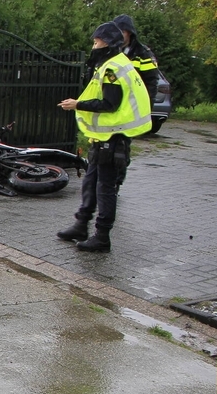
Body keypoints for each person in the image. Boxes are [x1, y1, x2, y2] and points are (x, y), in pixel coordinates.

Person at [56, 22, 152, 252]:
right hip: (103, 139)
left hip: (113, 139)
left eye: (96, 41)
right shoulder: (112, 63)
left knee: (105, 188)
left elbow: (110, 103)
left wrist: (78, 104)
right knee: (91, 183)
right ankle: (81, 225)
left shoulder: (113, 69)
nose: (93, 45)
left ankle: (102, 236)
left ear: (107, 43)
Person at [113, 14, 160, 110]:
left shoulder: (142, 53)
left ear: (129, 33)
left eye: (121, 32)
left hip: (134, 106)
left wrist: (146, 108)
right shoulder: (108, 50)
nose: (118, 35)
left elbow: (151, 83)